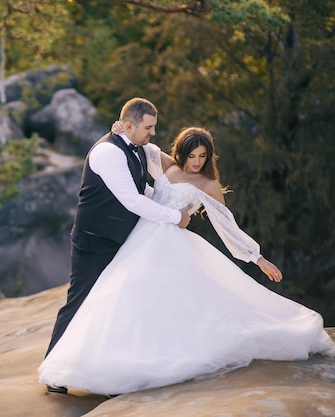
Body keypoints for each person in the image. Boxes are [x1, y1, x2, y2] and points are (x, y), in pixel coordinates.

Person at [38, 126, 335, 397]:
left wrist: (256, 257)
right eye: (191, 155)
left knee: (158, 299)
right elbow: (143, 146)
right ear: (181, 152)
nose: (196, 162)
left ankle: (143, 365)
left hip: (169, 244)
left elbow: (227, 226)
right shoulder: (166, 164)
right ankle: (104, 364)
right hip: (139, 237)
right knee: (121, 297)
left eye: (202, 156)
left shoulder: (208, 184)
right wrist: (117, 129)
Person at [43, 99, 193, 395]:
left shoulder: (137, 149)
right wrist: (175, 217)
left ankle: (108, 374)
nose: (152, 133)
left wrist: (172, 201)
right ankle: (53, 371)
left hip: (120, 240)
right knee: (80, 301)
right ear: (129, 126)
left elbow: (143, 189)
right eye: (148, 127)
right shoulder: (108, 152)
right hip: (94, 241)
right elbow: (132, 201)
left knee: (115, 305)